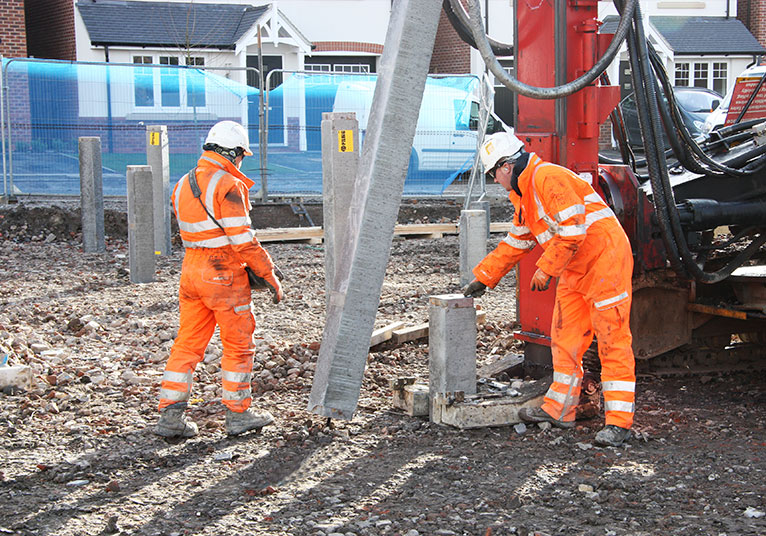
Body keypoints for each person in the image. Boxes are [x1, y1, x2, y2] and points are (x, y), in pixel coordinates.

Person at [463, 131, 635, 447]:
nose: (496, 183)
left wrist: (545, 269)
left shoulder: (548, 179)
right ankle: (560, 410)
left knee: (612, 339)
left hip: (604, 261)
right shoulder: (525, 194)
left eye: (493, 175)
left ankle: (619, 423)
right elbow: (516, 243)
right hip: (576, 267)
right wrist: (484, 277)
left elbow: (572, 232)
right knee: (565, 337)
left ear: (505, 167)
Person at [154, 120, 283, 438]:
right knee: (239, 344)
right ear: (234, 152)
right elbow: (244, 240)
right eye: (242, 155)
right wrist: (269, 275)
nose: (242, 162)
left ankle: (170, 417)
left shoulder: (183, 183)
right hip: (222, 273)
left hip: (191, 270)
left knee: (187, 344)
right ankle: (238, 414)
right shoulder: (227, 184)